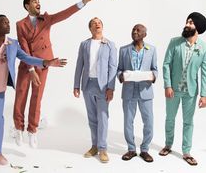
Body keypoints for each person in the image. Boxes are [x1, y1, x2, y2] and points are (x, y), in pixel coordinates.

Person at [0, 15, 66, 165]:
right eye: (4, 22)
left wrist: (46, 62)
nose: (8, 24)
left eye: (8, 22)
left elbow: (27, 58)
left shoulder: (13, 44)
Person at [13, 0, 98, 148]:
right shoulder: (20, 24)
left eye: (39, 1)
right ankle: (18, 128)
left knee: (37, 98)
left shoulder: (47, 19)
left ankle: (32, 131)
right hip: (27, 65)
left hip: (44, 64)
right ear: (27, 6)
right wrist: (31, 69)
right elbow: (23, 47)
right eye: (34, 1)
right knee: (21, 96)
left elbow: (66, 13)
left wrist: (85, 1)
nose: (38, 3)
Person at [159, 12, 206, 166]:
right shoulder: (175, 42)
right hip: (173, 90)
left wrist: (204, 95)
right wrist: (168, 85)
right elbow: (166, 64)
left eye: (191, 22)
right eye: (187, 21)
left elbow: (204, 72)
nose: (187, 24)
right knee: (170, 118)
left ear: (197, 27)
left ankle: (186, 152)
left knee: (188, 122)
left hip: (191, 92)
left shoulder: (203, 47)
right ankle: (168, 145)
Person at [73, 17, 117, 163]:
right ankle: (94, 146)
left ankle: (103, 148)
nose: (97, 24)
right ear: (90, 28)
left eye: (99, 22)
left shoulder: (110, 45)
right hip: (87, 85)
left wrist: (111, 88)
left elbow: (113, 68)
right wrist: (76, 85)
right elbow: (79, 64)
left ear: (102, 27)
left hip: (103, 86)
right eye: (93, 23)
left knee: (102, 117)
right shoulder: (84, 44)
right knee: (92, 118)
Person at [117, 24, 158, 163]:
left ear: (144, 34)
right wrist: (121, 76)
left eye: (138, 30)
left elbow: (155, 69)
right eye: (133, 29)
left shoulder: (151, 49)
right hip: (129, 91)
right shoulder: (123, 50)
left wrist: (152, 76)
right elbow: (119, 70)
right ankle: (131, 149)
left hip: (145, 91)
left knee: (149, 122)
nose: (135, 32)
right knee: (128, 121)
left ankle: (145, 149)